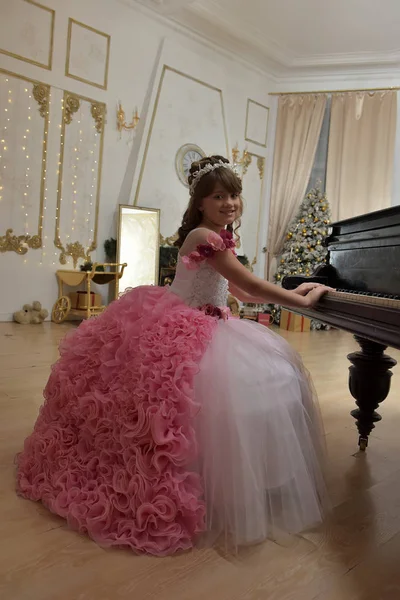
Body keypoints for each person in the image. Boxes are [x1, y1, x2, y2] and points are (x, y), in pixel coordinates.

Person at [16, 155, 331, 557]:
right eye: (219, 195)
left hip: (210, 319)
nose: (229, 202)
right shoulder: (205, 236)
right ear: (200, 202)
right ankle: (198, 482)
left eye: (234, 194)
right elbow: (249, 282)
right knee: (181, 400)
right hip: (182, 323)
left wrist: (297, 293)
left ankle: (225, 481)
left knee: (260, 381)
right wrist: (299, 300)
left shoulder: (218, 238)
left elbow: (244, 293)